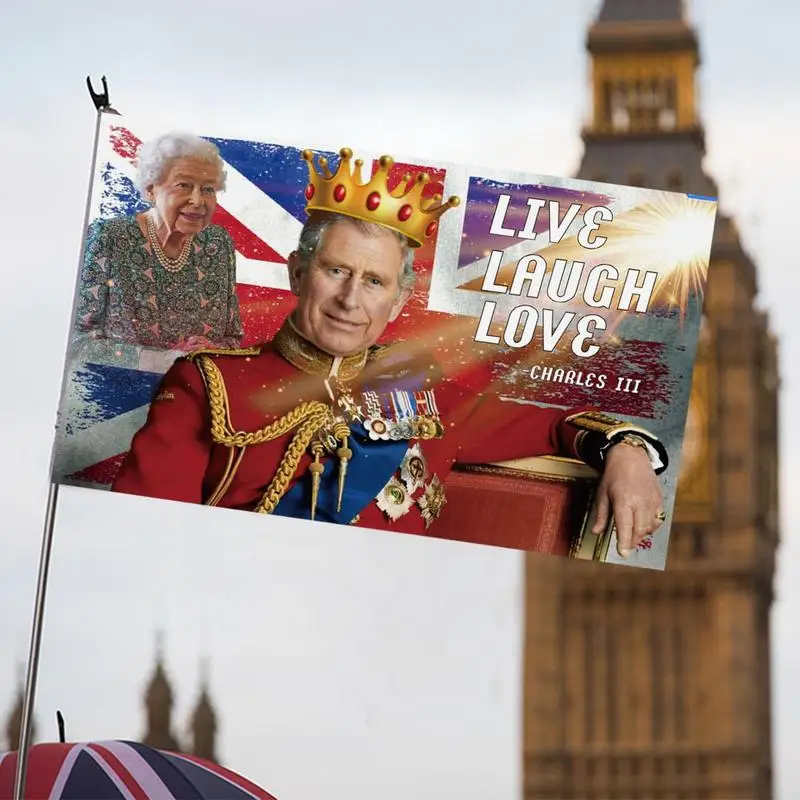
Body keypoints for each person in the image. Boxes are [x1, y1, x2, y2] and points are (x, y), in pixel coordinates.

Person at [112, 147, 669, 558]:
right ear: (298, 272)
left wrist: (625, 450)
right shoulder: (207, 386)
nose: (350, 300)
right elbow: (148, 542)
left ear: (399, 300)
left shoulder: (424, 392)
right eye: (336, 271)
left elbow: (557, 426)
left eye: (374, 282)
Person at [72, 131, 244, 372]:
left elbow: (233, 338)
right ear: (151, 189)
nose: (198, 200)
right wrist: (161, 360)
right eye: (184, 185)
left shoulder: (218, 244)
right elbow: (79, 344)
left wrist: (212, 351)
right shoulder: (109, 237)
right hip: (119, 397)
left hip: (194, 398)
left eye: (208, 189)